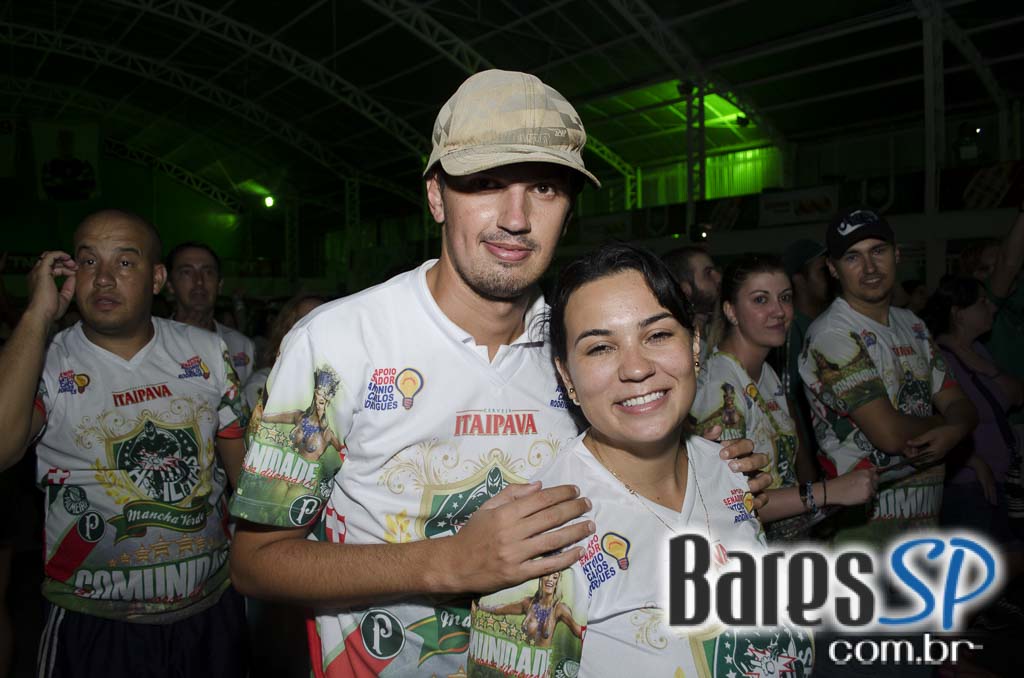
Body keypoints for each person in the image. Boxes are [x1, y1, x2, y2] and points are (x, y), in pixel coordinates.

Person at [228, 69, 769, 678]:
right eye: (485, 184)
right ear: (436, 195)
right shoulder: (337, 344)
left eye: (543, 187)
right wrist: (448, 563)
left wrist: (703, 463)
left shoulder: (581, 349)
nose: (516, 218)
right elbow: (256, 562)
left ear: (567, 208)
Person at [467, 243, 813, 677]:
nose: (635, 367)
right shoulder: (541, 536)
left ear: (694, 346)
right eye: (600, 348)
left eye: (658, 335)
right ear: (567, 377)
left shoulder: (731, 471)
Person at [0, 209, 250, 678]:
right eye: (89, 263)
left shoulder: (206, 353)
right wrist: (36, 313)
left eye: (125, 263)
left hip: (209, 612)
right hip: (93, 621)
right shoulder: (48, 358)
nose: (105, 279)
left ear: (157, 278)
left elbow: (245, 481)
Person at [798, 207, 977, 545]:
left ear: (897, 255)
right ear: (833, 269)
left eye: (878, 251)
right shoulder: (832, 334)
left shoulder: (913, 324)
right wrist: (950, 426)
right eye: (853, 257)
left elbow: (962, 404)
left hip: (923, 524)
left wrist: (959, 425)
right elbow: (890, 434)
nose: (869, 268)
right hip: (861, 533)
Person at [692, 253, 876, 542]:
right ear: (731, 311)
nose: (779, 311)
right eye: (761, 300)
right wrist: (827, 492)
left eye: (785, 298)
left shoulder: (766, 372)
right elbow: (727, 504)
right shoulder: (720, 386)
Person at [921, 277, 1024, 561]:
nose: (991, 307)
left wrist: (986, 368)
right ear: (958, 312)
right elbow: (929, 421)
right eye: (982, 302)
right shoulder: (937, 359)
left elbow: (1017, 396)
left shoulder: (978, 350)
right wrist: (971, 461)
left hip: (1001, 478)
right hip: (968, 486)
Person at [165, 241, 255, 385]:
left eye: (208, 272)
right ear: (170, 285)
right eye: (187, 272)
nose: (199, 281)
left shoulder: (242, 346)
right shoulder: (155, 345)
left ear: (219, 285)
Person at [782, 238, 832, 483]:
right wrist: (807, 469)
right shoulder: (790, 333)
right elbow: (790, 403)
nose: (831, 276)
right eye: (822, 271)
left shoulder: (832, 325)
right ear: (799, 279)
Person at [243, 294, 325, 411]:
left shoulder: (342, 383)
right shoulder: (263, 384)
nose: (313, 330)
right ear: (286, 332)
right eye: (304, 322)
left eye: (321, 321)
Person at [474, 571, 582, 647]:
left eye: (555, 577)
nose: (550, 580)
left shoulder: (559, 608)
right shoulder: (528, 603)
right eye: (547, 575)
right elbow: (499, 609)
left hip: (541, 669)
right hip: (523, 664)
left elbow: (579, 632)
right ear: (541, 578)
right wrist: (479, 606)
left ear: (558, 582)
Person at [662, 245, 721, 366]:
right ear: (684, 290)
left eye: (716, 270)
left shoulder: (717, 331)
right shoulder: (680, 347)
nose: (719, 278)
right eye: (708, 273)